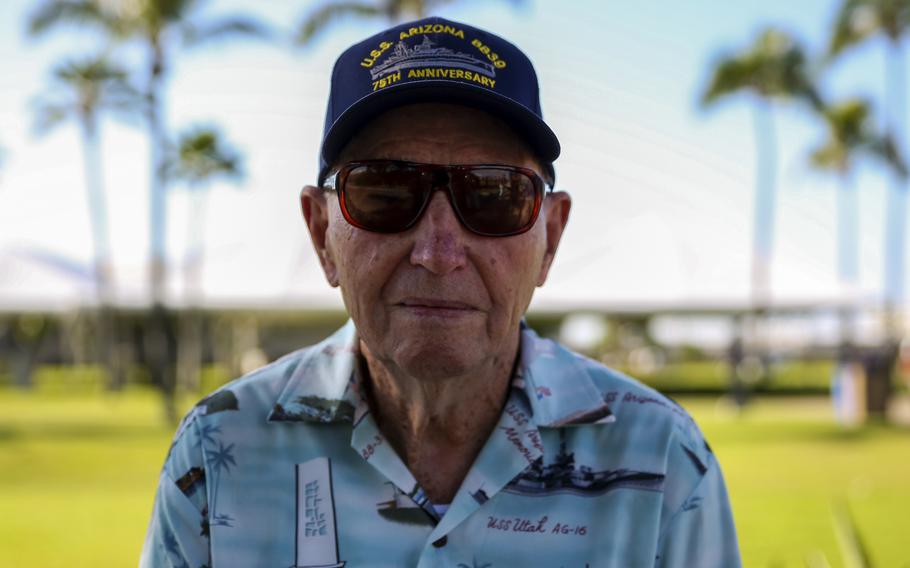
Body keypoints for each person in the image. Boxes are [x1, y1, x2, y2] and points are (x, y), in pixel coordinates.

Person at [141, 17, 741, 568]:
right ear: (323, 234)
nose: (437, 253)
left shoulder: (662, 462)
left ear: (550, 238)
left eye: (495, 195)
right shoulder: (219, 451)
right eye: (383, 192)